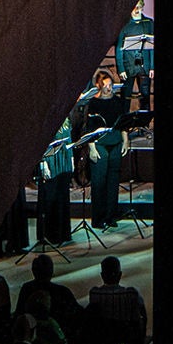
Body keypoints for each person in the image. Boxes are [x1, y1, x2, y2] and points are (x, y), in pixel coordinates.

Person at [80, 69, 129, 230]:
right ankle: (98, 218)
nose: (109, 88)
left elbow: (123, 123)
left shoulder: (117, 101)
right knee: (99, 182)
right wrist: (92, 149)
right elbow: (89, 128)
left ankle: (110, 216)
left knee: (113, 180)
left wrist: (125, 141)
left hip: (115, 142)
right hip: (100, 145)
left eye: (111, 85)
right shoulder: (94, 103)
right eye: (106, 85)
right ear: (99, 86)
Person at [86, 255, 146, 344]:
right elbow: (143, 315)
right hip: (127, 338)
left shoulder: (94, 293)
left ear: (102, 275)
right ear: (120, 275)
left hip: (104, 340)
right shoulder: (131, 294)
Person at [36, 115, 74, 245]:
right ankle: (50, 235)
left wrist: (72, 159)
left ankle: (63, 233)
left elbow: (69, 139)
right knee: (50, 198)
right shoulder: (46, 120)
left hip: (64, 159)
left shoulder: (67, 119)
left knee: (62, 196)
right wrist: (43, 164)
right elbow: (41, 143)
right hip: (51, 161)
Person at [115, 0, 153, 109]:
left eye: (139, 7)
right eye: (134, 7)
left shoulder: (148, 23)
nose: (137, 9)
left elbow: (152, 47)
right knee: (126, 97)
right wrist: (121, 68)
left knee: (145, 96)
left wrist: (152, 67)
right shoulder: (124, 25)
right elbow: (119, 48)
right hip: (128, 65)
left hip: (144, 66)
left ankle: (144, 122)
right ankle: (124, 123)